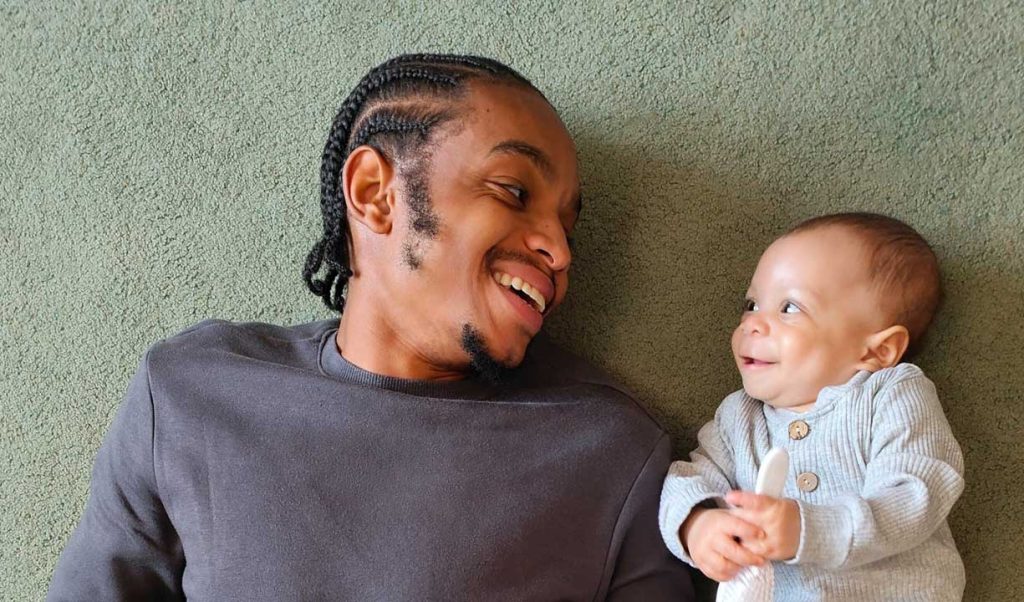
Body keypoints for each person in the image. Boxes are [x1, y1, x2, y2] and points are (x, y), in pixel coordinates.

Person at [47, 54, 695, 600]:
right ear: (374, 192)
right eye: (513, 191)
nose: (558, 249)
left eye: (568, 223)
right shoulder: (190, 394)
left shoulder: (613, 454)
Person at [658, 212, 965, 600]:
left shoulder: (891, 396)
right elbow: (687, 479)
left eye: (789, 308)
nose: (753, 323)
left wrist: (808, 529)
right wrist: (698, 524)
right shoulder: (739, 418)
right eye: (751, 304)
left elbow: (917, 493)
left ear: (877, 350)